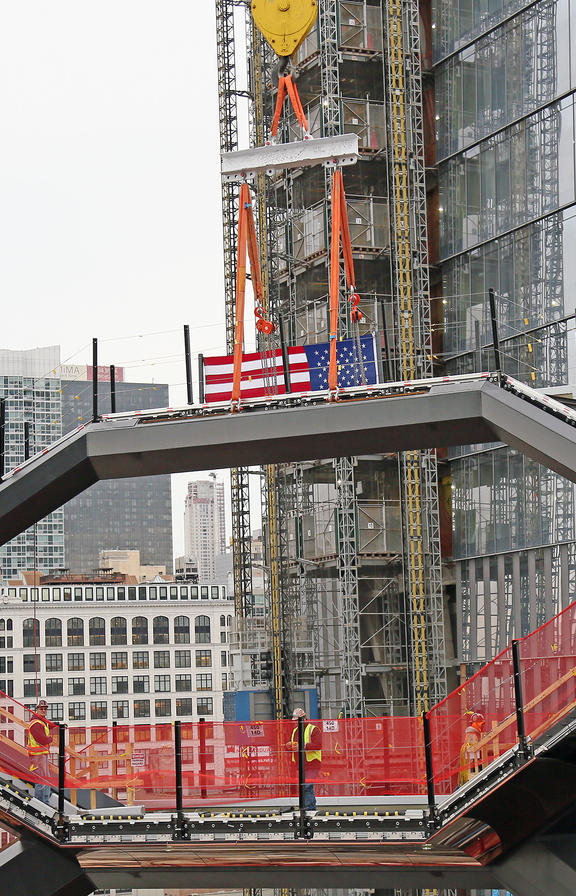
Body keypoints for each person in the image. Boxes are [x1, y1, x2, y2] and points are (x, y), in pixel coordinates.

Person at [288, 707, 322, 811]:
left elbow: (318, 745)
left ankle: (308, 809)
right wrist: (289, 746)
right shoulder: (295, 731)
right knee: (305, 787)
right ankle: (310, 808)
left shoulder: (313, 729)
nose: (295, 723)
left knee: (307, 786)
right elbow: (295, 746)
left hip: (312, 763)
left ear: (303, 718)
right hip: (300, 764)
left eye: (296, 720)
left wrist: (301, 746)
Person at [27, 700, 53, 804]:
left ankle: (44, 802)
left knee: (45, 779)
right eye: (41, 708)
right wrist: (50, 739)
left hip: (41, 756)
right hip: (37, 756)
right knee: (41, 780)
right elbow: (41, 739)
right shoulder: (36, 723)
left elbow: (48, 726)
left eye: (45, 709)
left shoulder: (42, 721)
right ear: (36, 710)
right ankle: (40, 804)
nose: (43, 710)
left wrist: (58, 725)